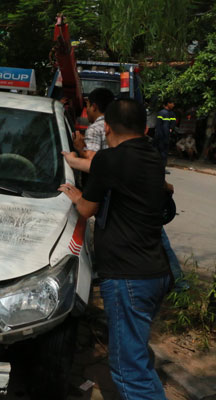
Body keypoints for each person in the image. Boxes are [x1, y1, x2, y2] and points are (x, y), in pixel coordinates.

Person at [59, 99, 170, 400]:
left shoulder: (111, 160)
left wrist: (75, 195)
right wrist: (79, 157)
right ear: (144, 128)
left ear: (106, 127)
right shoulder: (152, 155)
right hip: (154, 272)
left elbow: (86, 209)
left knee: (127, 370)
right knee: (138, 360)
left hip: (127, 277)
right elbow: (100, 164)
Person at [65, 88, 114, 172]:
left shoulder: (94, 128)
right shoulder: (116, 125)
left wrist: (80, 149)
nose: (87, 110)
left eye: (87, 106)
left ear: (94, 107)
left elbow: (91, 161)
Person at [155, 99, 176, 172]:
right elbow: (160, 125)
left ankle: (161, 168)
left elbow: (173, 123)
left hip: (165, 136)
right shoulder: (162, 113)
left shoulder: (172, 113)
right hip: (161, 136)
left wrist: (171, 128)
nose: (173, 105)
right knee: (161, 152)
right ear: (168, 103)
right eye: (172, 103)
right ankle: (159, 168)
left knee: (163, 152)